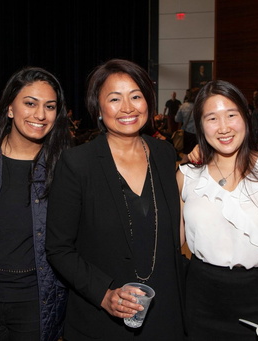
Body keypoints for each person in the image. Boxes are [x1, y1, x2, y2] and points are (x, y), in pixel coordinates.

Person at [46, 59, 186, 340]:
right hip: (103, 320)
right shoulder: (78, 163)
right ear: (98, 108)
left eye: (136, 96)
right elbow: (58, 248)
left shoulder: (164, 153)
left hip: (165, 313)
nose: (127, 108)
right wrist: (104, 294)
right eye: (114, 99)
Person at [178, 80, 258, 340]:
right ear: (200, 126)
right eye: (212, 118)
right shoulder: (187, 177)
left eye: (231, 115)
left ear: (246, 118)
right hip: (201, 298)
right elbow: (170, 245)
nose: (224, 127)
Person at [0, 67, 71, 341]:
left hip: (38, 301)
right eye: (30, 103)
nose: (40, 115)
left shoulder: (66, 167)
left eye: (50, 106)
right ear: (10, 108)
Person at [175, 88, 199, 163]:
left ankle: (179, 173)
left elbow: (177, 119)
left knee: (186, 156)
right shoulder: (202, 106)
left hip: (188, 133)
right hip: (200, 134)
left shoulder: (184, 106)